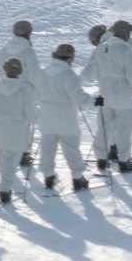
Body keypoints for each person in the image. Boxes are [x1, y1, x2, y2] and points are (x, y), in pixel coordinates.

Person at [82, 21, 132, 172]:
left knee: (104, 129)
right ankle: (124, 161)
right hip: (125, 99)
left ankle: (101, 158)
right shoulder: (126, 48)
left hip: (106, 97)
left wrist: (104, 76)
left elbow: (89, 73)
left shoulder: (100, 49)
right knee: (123, 131)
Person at [36, 43, 98, 192]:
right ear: (69, 58)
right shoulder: (68, 75)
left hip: (46, 117)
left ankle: (48, 176)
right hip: (66, 117)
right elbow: (79, 97)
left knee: (48, 147)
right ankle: (77, 178)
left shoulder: (42, 73)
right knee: (71, 149)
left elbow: (36, 94)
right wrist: (95, 101)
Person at [0, 57, 38, 203]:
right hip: (16, 131)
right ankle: (4, 191)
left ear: (5, 70)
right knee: (10, 162)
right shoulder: (23, 90)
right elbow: (31, 115)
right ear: (19, 72)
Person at [0, 19, 41, 167]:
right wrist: (38, 90)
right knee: (24, 121)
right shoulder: (28, 50)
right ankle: (23, 153)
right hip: (24, 89)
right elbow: (35, 74)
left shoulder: (4, 49)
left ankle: (6, 149)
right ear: (27, 33)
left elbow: (0, 69)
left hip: (6, 88)